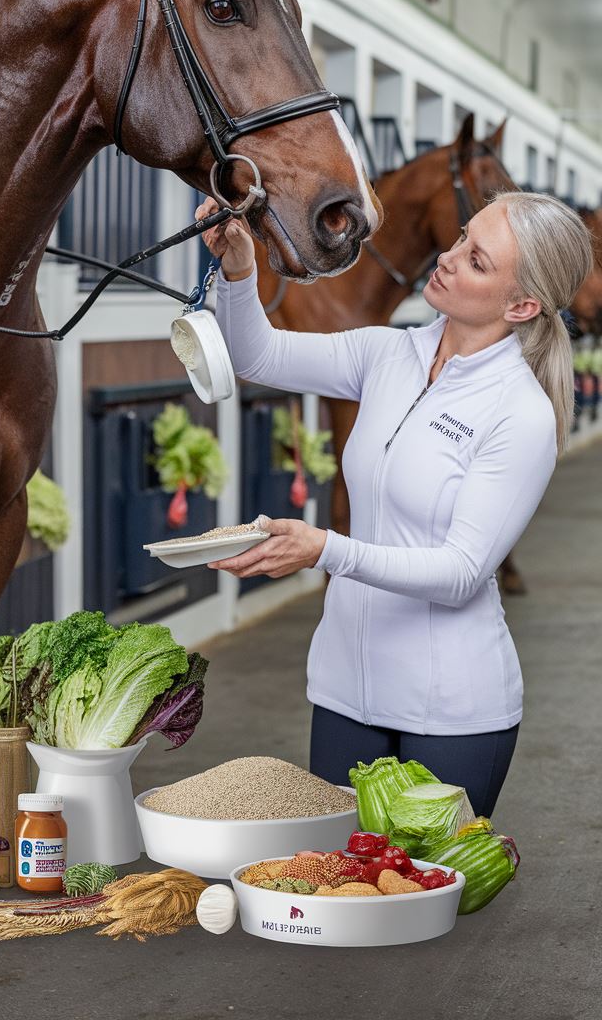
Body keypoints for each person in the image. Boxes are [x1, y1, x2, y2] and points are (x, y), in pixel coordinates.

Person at [198, 191, 593, 816]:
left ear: (521, 305)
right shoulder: (388, 354)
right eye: (463, 236)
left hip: (453, 714)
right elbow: (258, 355)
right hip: (345, 695)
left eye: (478, 261)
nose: (449, 256)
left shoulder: (519, 413)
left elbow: (460, 573)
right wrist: (240, 269)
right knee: (342, 894)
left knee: (417, 905)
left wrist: (325, 549)